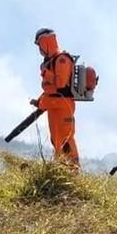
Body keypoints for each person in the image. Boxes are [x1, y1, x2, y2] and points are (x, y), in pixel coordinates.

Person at [30, 28, 80, 167]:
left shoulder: (62, 60)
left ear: (46, 42)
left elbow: (60, 84)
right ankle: (60, 168)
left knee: (66, 139)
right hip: (53, 106)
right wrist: (39, 101)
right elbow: (49, 89)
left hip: (63, 105)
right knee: (56, 140)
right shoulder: (50, 61)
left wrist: (45, 73)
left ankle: (73, 172)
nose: (39, 49)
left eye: (39, 44)